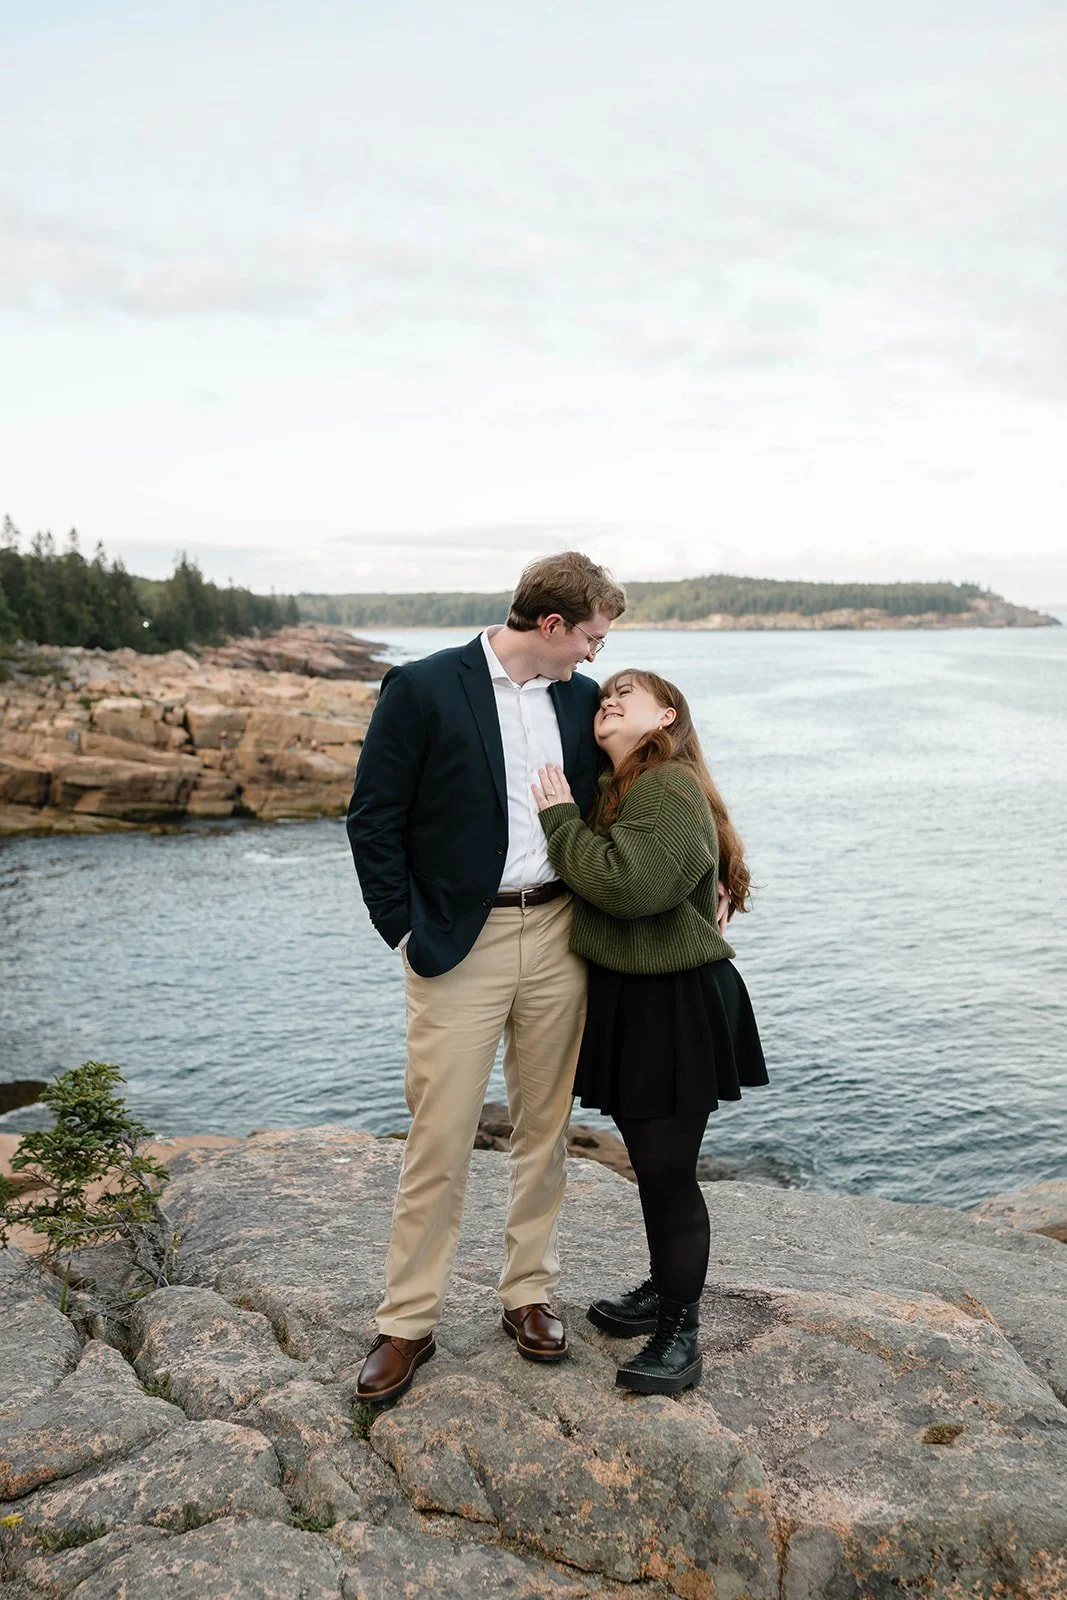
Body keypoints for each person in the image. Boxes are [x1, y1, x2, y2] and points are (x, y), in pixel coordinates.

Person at [346, 552, 627, 1404]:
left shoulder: (583, 703)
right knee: (441, 1133)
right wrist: (405, 928)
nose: (594, 654)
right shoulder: (425, 687)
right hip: (456, 945)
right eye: (589, 636)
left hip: (557, 934)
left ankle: (527, 1294)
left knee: (545, 1128)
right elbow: (373, 817)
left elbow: (646, 792)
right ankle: (407, 1322)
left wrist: (716, 868)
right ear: (551, 626)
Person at [532, 668, 767, 1396]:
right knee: (651, 1165)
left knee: (667, 1177)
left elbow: (628, 887)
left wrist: (559, 820)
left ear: (665, 716)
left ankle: (679, 1334)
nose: (608, 699)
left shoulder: (665, 785)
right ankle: (662, 1293)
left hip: (673, 1000)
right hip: (637, 997)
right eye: (605, 693)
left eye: (625, 694)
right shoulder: (623, 785)